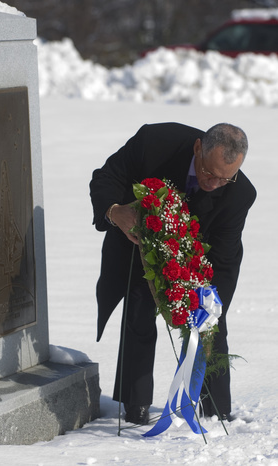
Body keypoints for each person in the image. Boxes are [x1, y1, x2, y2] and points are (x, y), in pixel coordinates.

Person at [89, 122, 256, 425]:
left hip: (196, 259)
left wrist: (210, 307)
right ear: (197, 149)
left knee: (211, 323)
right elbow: (105, 177)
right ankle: (135, 407)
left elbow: (225, 257)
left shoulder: (239, 194)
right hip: (139, 239)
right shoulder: (154, 142)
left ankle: (215, 411)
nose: (215, 183)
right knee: (139, 310)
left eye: (225, 179)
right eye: (209, 173)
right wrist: (115, 211)